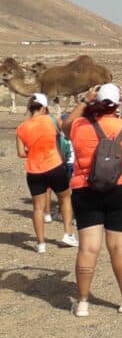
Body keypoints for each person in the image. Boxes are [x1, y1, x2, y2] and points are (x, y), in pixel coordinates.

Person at [63, 83, 122, 317]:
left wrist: (85, 100)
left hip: (86, 189)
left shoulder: (80, 126)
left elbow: (65, 126)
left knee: (88, 248)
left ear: (97, 102)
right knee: (118, 247)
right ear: (116, 104)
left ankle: (82, 303)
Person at [15, 93, 78, 253]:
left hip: (34, 170)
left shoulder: (21, 128)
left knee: (38, 208)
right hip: (54, 165)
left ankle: (41, 244)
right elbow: (66, 133)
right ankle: (68, 234)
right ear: (44, 107)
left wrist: (33, 151)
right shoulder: (51, 120)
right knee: (65, 198)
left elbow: (21, 153)